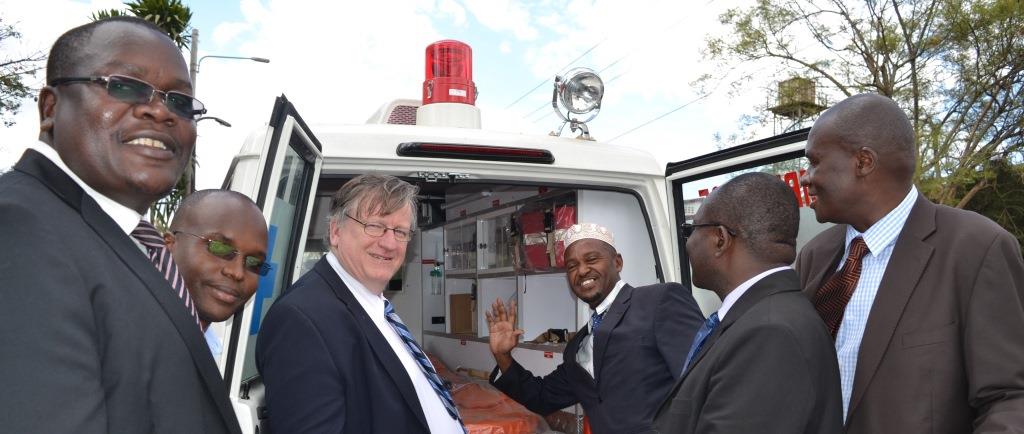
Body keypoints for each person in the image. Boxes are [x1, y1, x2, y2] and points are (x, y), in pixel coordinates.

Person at [0, 17, 240, 433]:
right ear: (50, 108)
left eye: (181, 102)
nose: (160, 110)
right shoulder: (18, 229)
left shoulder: (120, 240)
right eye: (125, 86)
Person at [796, 93, 1024, 433]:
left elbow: (1010, 399)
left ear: (863, 162)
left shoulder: (976, 248)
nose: (805, 177)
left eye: (815, 162)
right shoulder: (814, 257)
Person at [256, 174, 465, 433]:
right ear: (335, 231)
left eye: (400, 232)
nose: (389, 243)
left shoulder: (374, 306)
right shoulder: (301, 319)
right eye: (374, 226)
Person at [648, 172, 843, 433]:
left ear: (720, 239)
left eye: (690, 230)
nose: (689, 243)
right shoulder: (759, 316)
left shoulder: (770, 332)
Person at [486, 223, 704, 434]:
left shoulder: (659, 300)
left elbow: (701, 382)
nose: (581, 270)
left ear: (617, 262)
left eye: (591, 259)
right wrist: (502, 355)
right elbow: (540, 398)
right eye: (571, 266)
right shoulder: (577, 347)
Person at [165, 189, 269, 356]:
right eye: (219, 248)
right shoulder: (125, 338)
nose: (237, 272)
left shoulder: (210, 348)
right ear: (169, 246)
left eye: (254, 263)